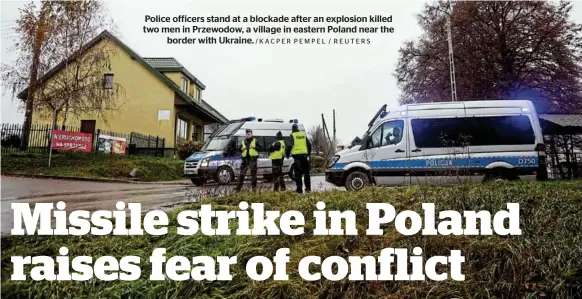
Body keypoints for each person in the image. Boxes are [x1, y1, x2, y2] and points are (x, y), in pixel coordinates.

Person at [286, 123, 312, 193]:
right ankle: (308, 188)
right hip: (304, 156)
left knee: (298, 173)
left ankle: (299, 189)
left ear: (292, 129)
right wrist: (308, 154)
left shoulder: (292, 135)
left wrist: (287, 154)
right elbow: (309, 145)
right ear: (298, 128)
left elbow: (289, 146)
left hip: (297, 157)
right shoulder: (303, 135)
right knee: (307, 173)